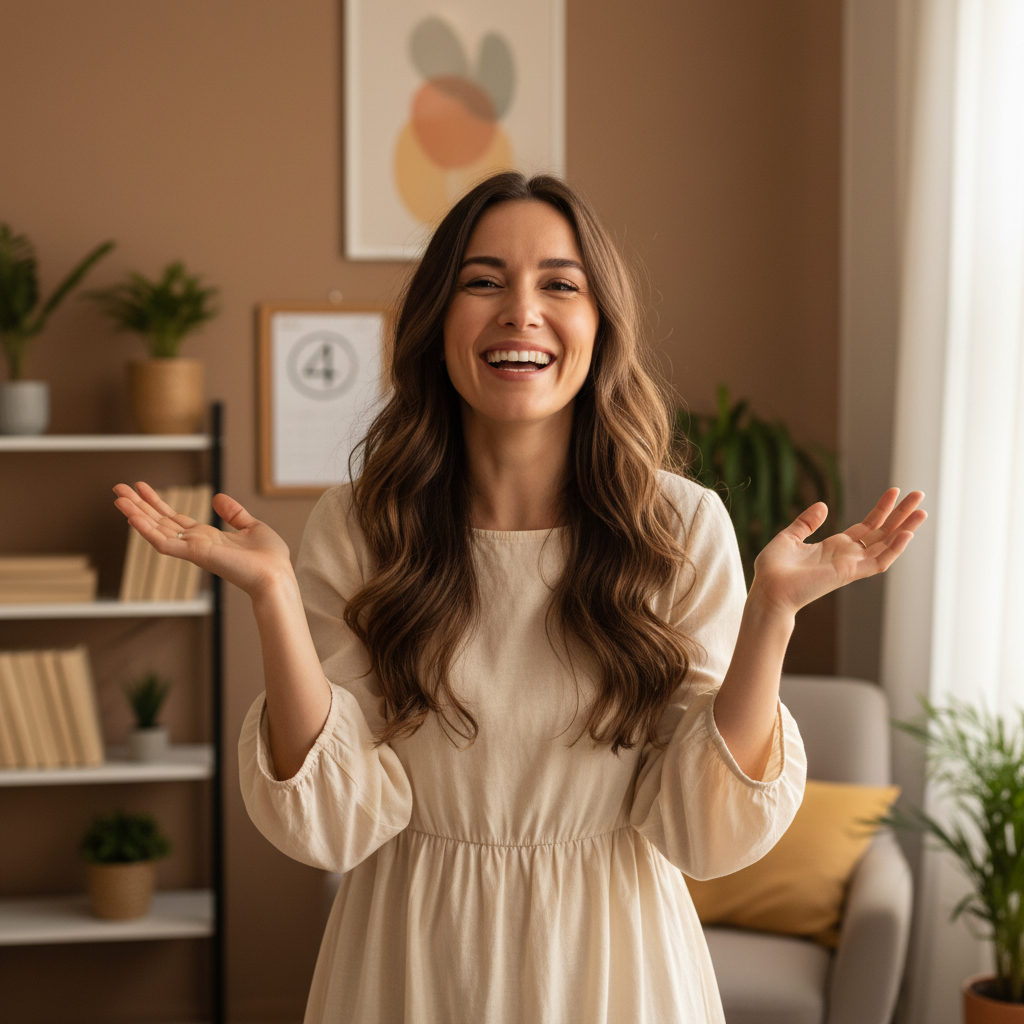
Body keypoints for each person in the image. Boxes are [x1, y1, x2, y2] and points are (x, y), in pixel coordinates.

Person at [113, 171, 925, 1024]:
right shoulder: (360, 525)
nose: (520, 312)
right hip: (406, 962)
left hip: (617, 965)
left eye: (559, 284)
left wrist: (772, 616)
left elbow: (705, 833)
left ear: (600, 325)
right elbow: (330, 825)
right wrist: (273, 594)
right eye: (483, 281)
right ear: (437, 321)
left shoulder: (680, 526)